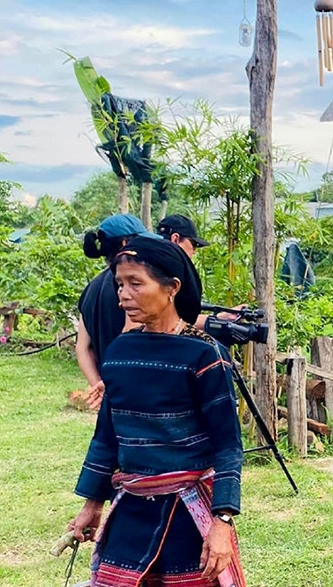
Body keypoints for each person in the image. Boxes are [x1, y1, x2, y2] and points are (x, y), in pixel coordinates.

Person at [66, 235, 245, 586]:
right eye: (119, 284)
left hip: (188, 516)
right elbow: (106, 436)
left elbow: (227, 446)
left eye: (136, 283)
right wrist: (92, 504)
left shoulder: (205, 355)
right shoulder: (120, 352)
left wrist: (221, 521)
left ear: (172, 288)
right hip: (131, 508)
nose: (123, 294)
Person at [74, 214, 147, 409]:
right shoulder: (132, 285)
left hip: (111, 393)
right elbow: (130, 336)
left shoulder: (91, 288)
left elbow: (82, 347)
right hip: (134, 389)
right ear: (125, 243)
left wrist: (99, 385)